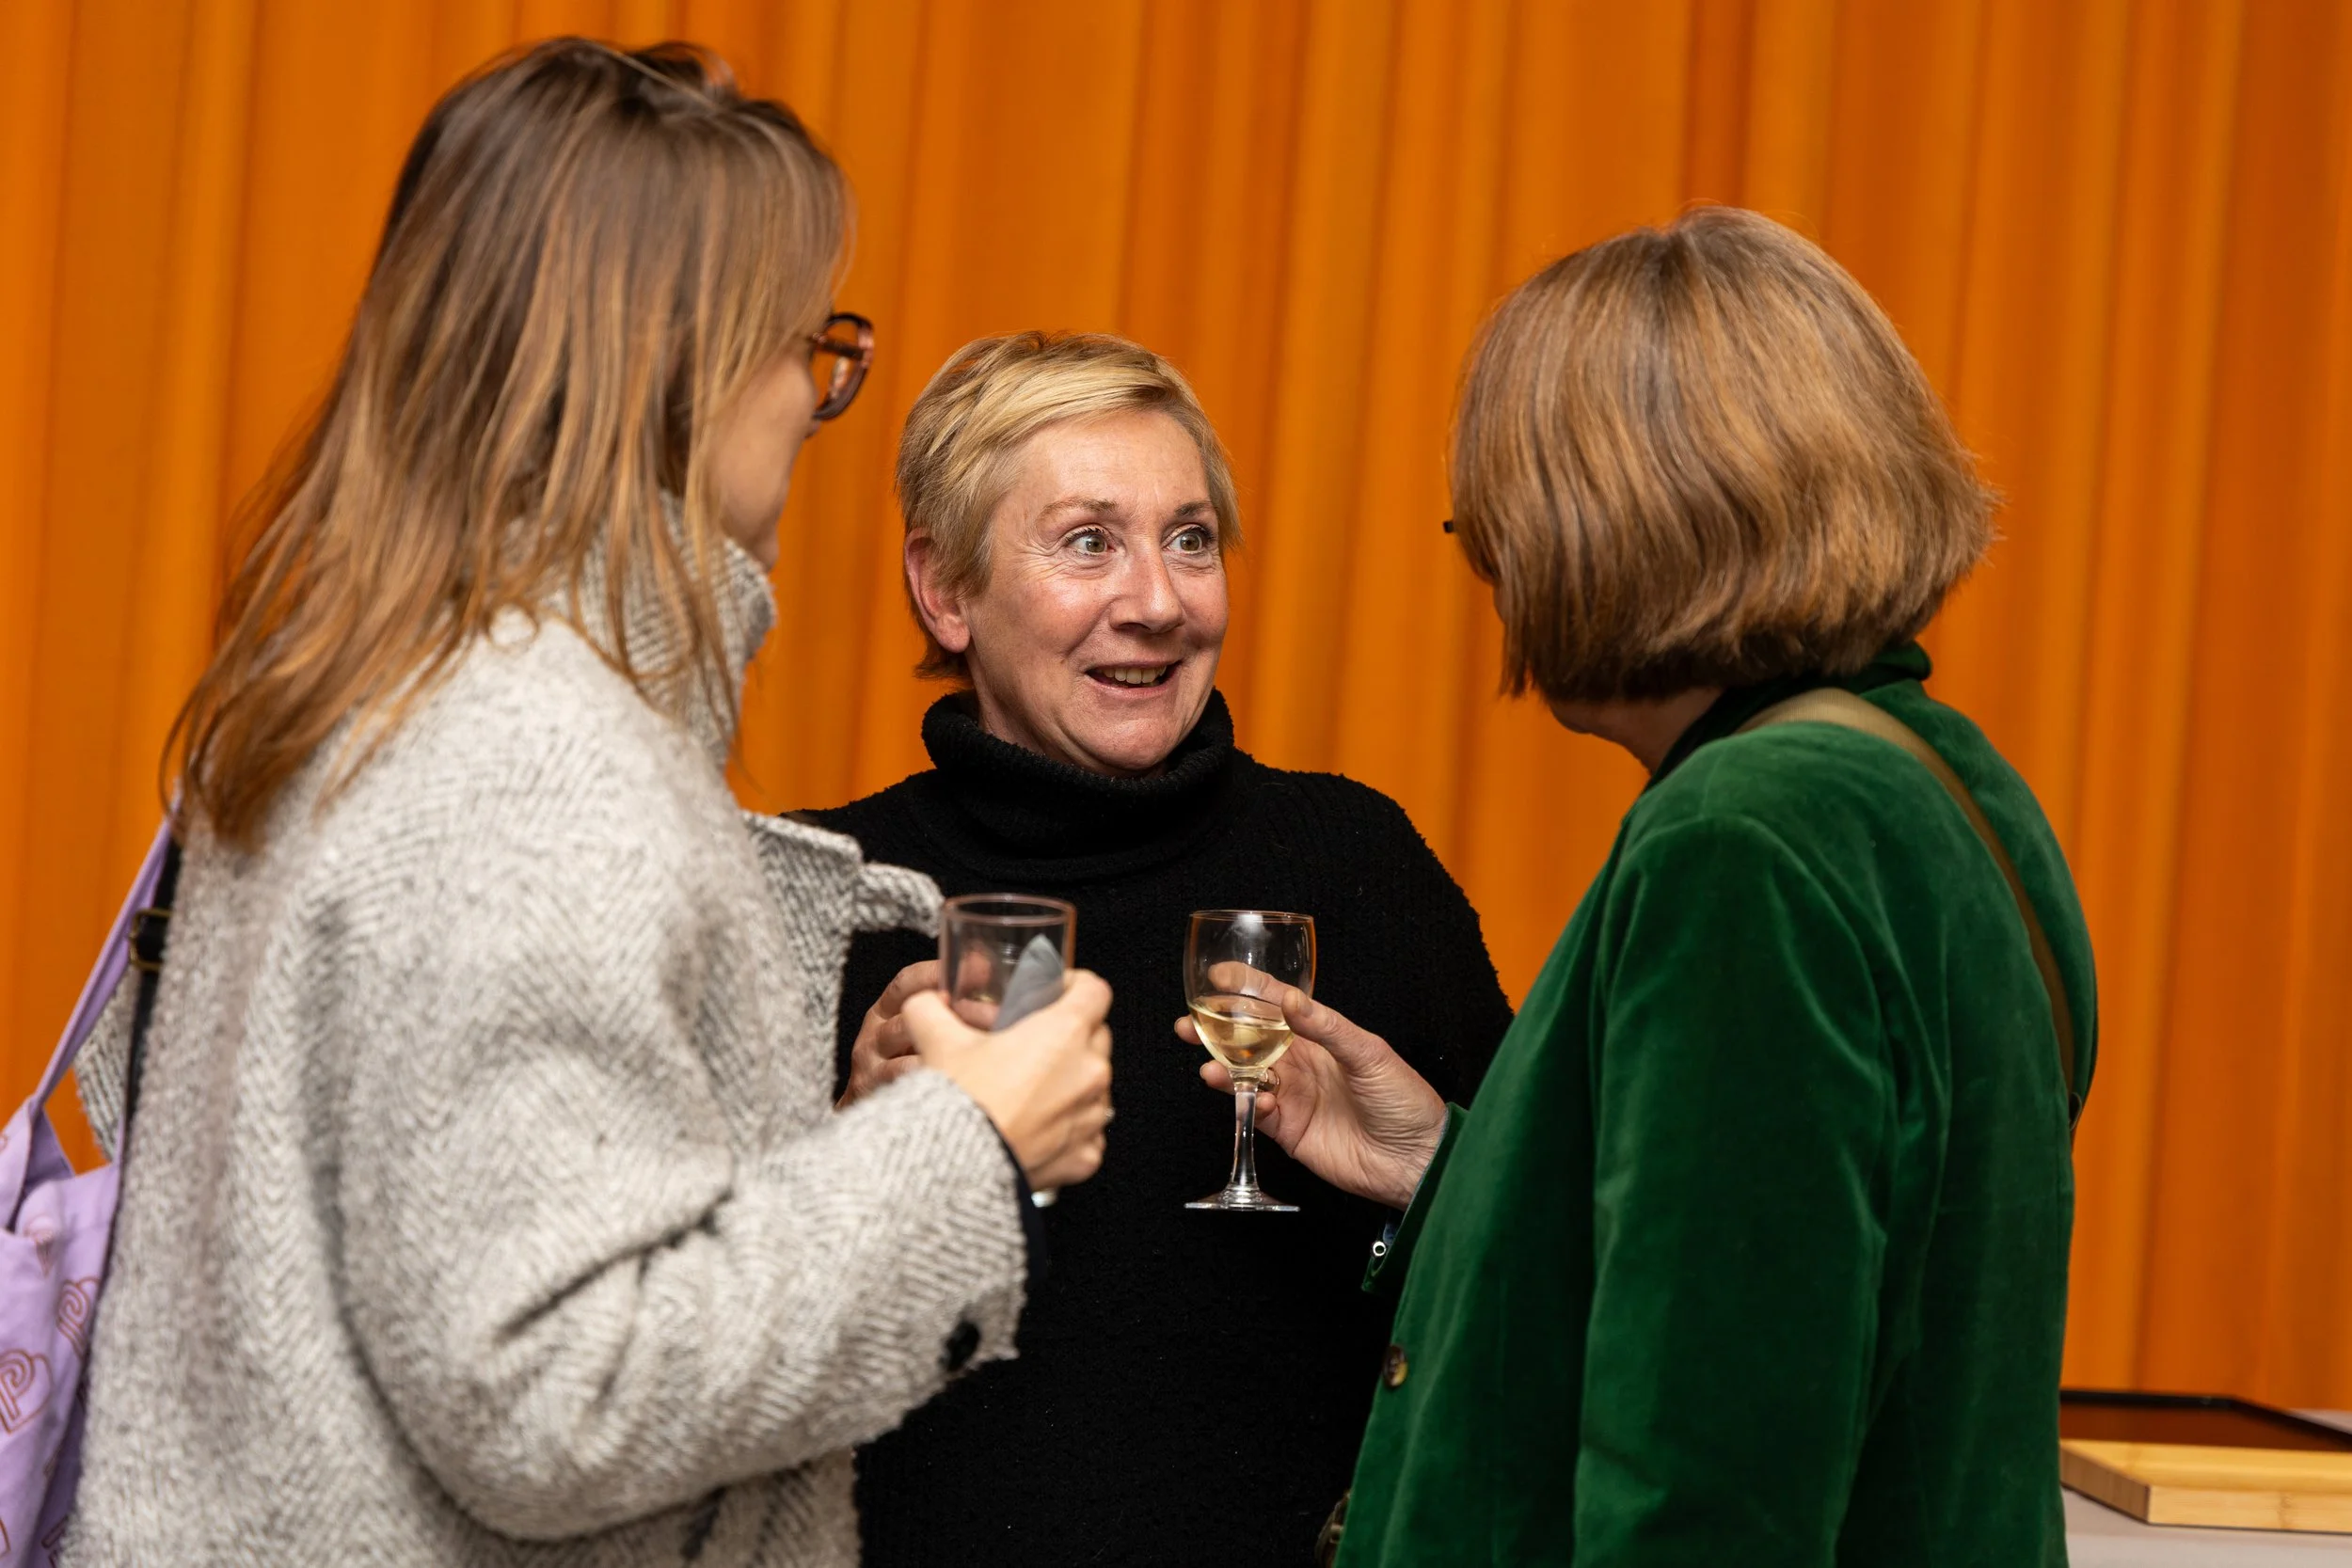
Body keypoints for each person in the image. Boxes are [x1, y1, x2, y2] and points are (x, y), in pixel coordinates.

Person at [63, 40, 1113, 1567]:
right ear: (679, 369)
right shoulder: (535, 756)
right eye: (807, 345)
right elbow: (556, 1386)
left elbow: (441, 1246)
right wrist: (968, 1148)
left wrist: (833, 1150)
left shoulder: (360, 684)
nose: (813, 404)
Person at [1200, 207, 2096, 1566]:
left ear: (1604, 521)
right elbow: (1802, 1264)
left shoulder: (1742, 837)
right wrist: (1455, 1167)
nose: (1492, 572)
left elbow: (1709, 1477)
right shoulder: (1947, 785)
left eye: (1489, 523)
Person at [803, 331, 1514, 1566]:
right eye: (1088, 542)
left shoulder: (1354, 863)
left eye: (1190, 539)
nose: (1160, 602)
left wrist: (1432, 1177)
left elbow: (1553, 1312)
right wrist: (836, 1159)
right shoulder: (827, 896)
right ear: (945, 590)